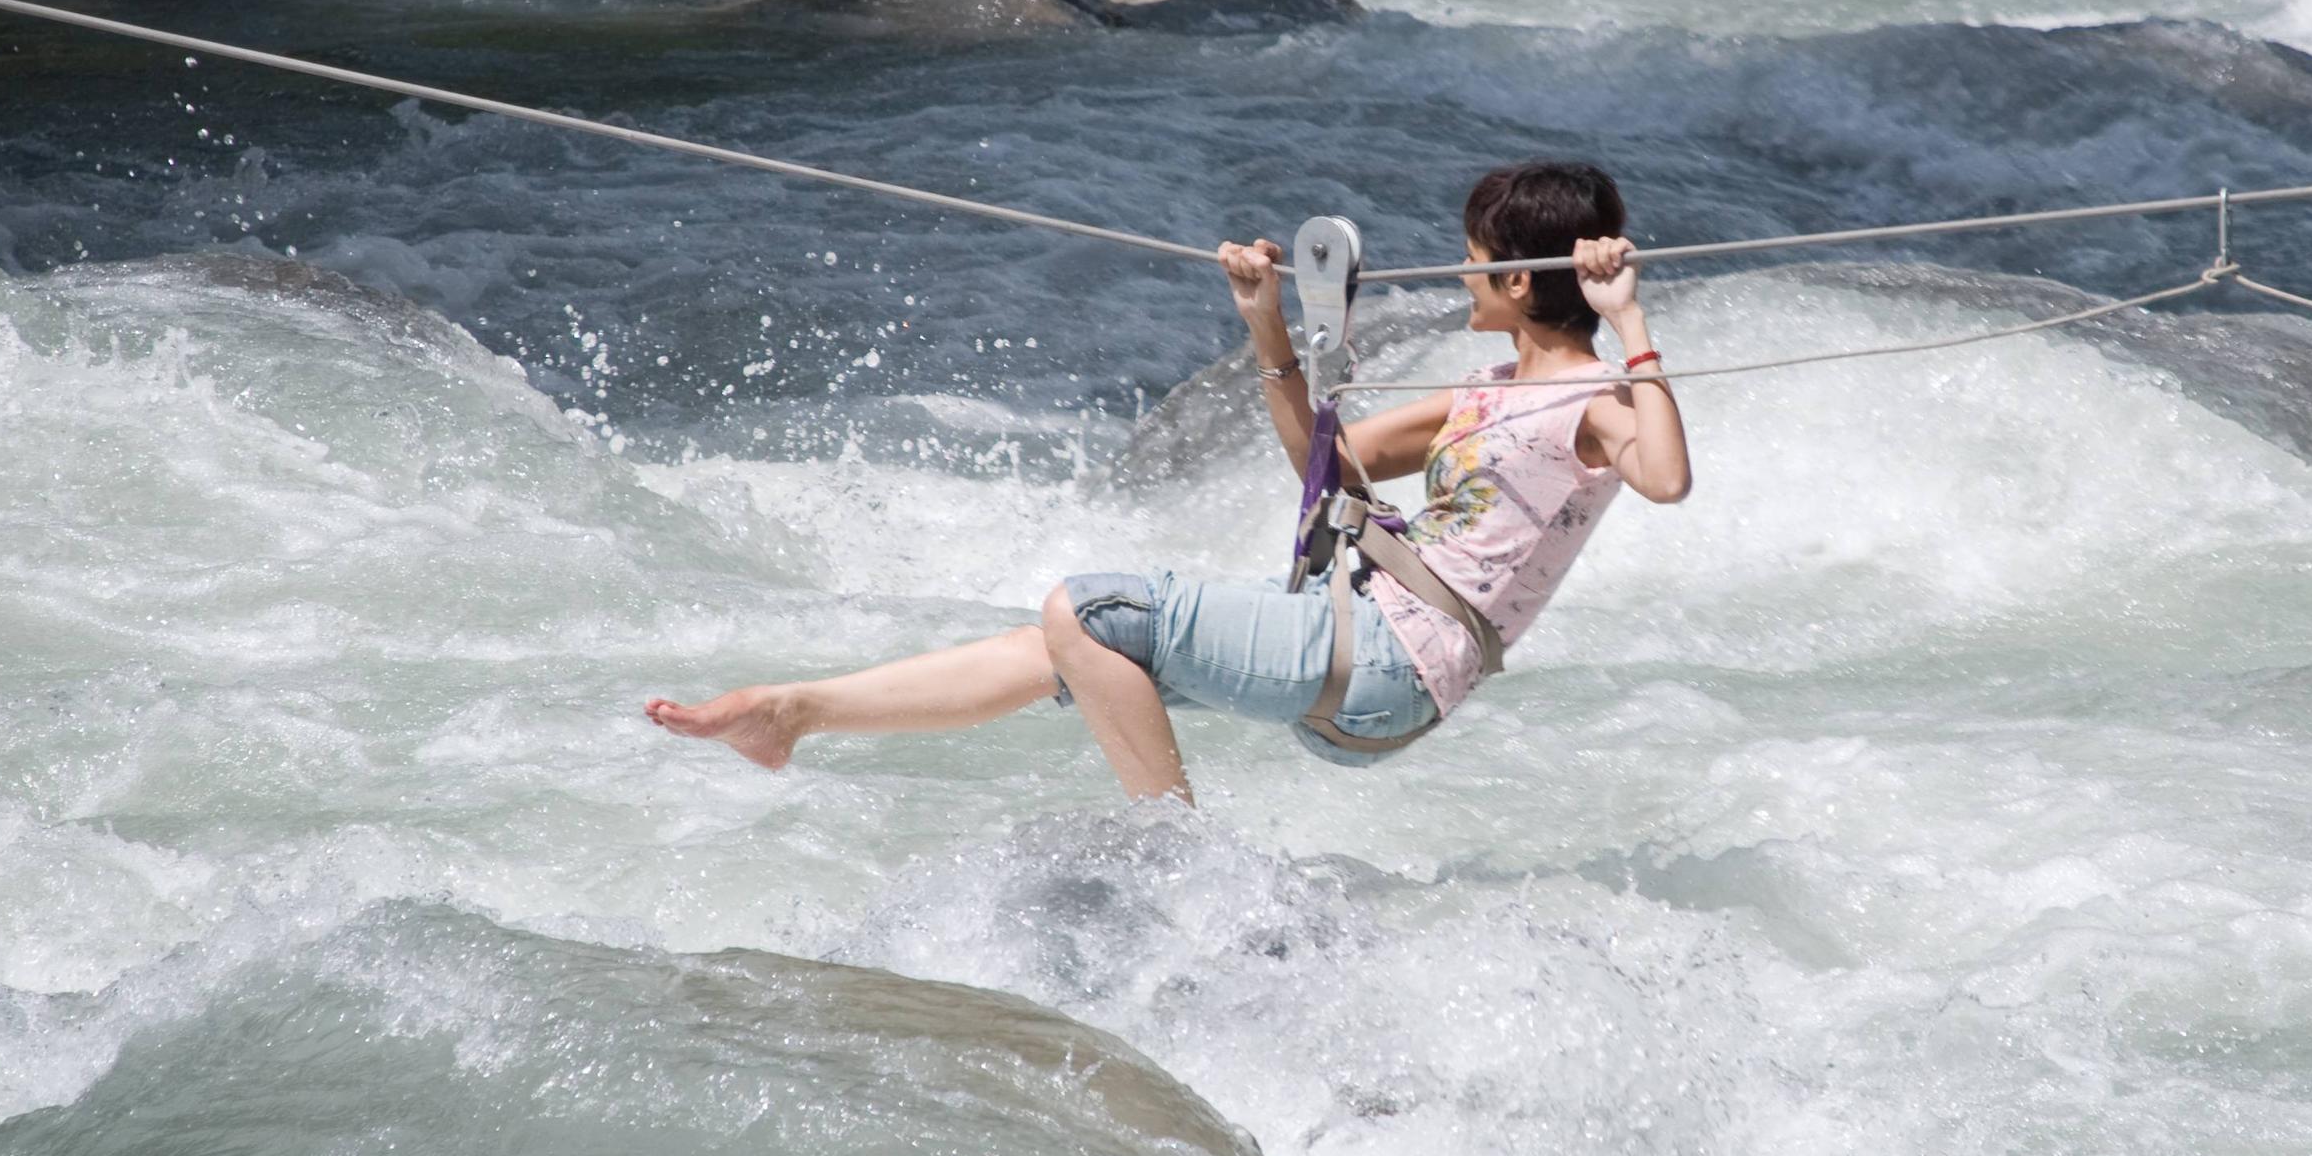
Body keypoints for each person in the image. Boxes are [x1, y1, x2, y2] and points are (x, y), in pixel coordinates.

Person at [646, 161, 1691, 803]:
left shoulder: (1594, 401)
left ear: (1516, 282)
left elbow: (1667, 479)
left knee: (1091, 610)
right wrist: (1264, 324)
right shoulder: (1483, 389)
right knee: (1055, 645)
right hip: (1355, 655)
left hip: (1386, 663)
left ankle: (1173, 866)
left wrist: (1634, 323)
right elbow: (1322, 462)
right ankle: (793, 714)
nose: (1461, 275)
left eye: (1473, 261)